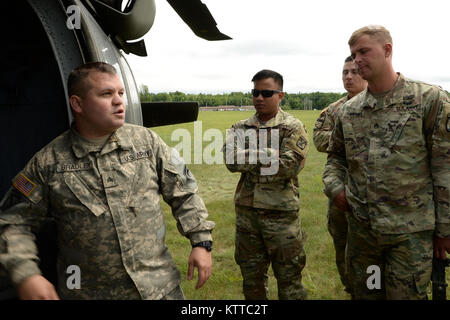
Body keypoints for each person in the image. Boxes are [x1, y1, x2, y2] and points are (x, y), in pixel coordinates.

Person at [0, 62, 215, 300]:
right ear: (77, 104)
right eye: (106, 94)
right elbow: (12, 223)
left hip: (159, 290)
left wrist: (201, 242)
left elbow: (184, 192)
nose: (119, 101)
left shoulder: (146, 143)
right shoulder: (48, 163)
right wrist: (27, 274)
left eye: (120, 93)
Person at [323, 25, 450, 299]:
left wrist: (444, 230)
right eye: (354, 54)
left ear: (387, 50)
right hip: (363, 235)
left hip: (410, 235)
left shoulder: (429, 100)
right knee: (368, 294)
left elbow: (445, 167)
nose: (357, 60)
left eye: (364, 51)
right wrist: (335, 188)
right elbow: (336, 158)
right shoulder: (349, 110)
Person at [223, 69, 308, 300]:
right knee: (252, 281)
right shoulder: (240, 127)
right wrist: (271, 153)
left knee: (290, 280)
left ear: (280, 95)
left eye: (266, 93)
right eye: (255, 92)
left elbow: (290, 166)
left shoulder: (292, 126)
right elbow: (231, 161)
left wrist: (248, 155)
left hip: (281, 215)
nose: (259, 98)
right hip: (247, 216)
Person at [313, 56, 367, 297]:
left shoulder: (380, 104)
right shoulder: (333, 110)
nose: (348, 77)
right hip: (341, 191)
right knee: (342, 245)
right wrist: (349, 138)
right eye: (345, 72)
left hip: (373, 192)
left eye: (354, 71)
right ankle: (351, 288)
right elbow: (319, 140)